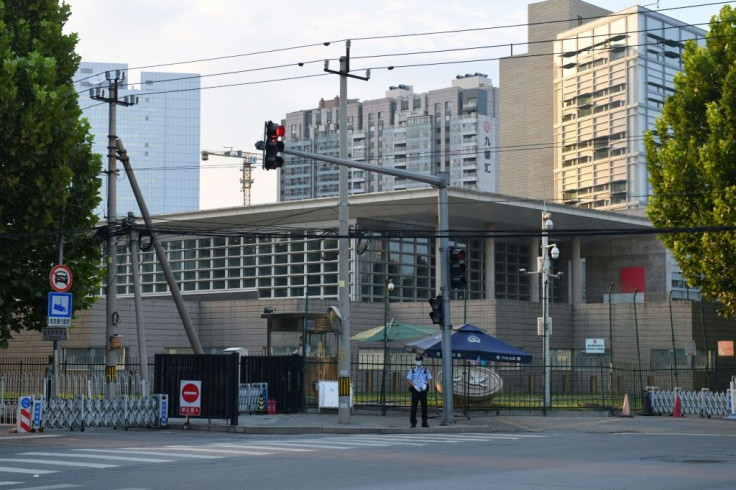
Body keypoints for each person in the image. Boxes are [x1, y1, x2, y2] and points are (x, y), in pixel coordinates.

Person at [406, 355, 432, 428]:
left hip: (423, 390)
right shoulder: (413, 370)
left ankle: (424, 422)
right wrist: (414, 386)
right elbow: (409, 379)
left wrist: (425, 384)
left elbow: (429, 379)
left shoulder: (426, 370)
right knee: (414, 407)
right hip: (415, 390)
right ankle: (413, 423)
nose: (418, 362)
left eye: (419, 360)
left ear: (422, 361)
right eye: (417, 360)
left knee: (424, 407)